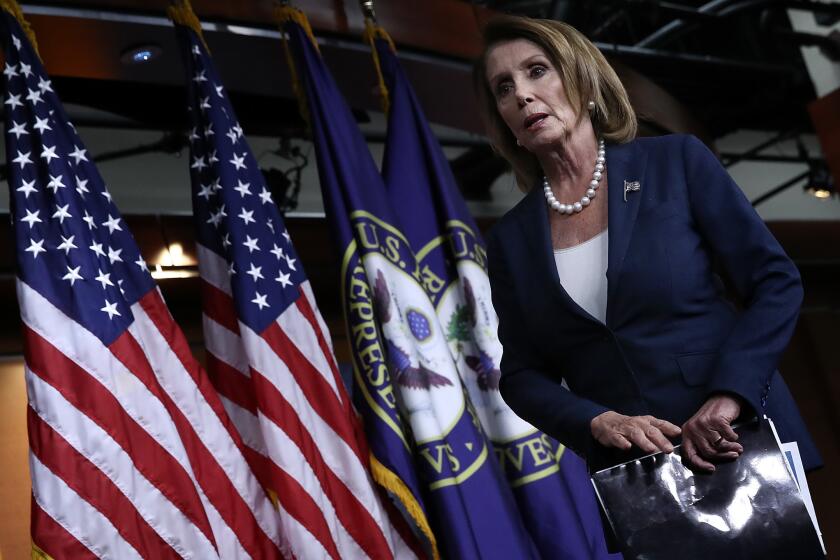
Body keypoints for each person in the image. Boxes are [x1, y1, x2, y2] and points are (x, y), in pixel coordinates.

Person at [474, 15, 821, 474]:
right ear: (506, 124)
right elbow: (521, 376)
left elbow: (776, 282)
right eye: (503, 87)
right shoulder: (509, 240)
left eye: (537, 70)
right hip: (636, 472)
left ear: (584, 80)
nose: (521, 94)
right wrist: (595, 420)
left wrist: (729, 396)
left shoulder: (676, 162)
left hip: (738, 436)